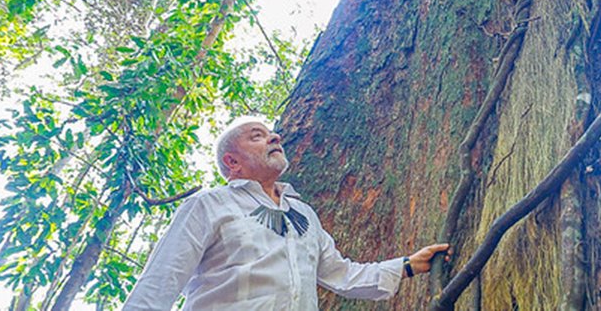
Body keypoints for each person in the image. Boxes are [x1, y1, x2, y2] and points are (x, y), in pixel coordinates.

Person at [123, 116, 450, 310]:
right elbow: (159, 282)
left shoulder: (304, 214)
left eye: (271, 133)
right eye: (257, 136)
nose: (274, 137)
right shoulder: (208, 205)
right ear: (232, 163)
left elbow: (342, 275)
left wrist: (407, 265)